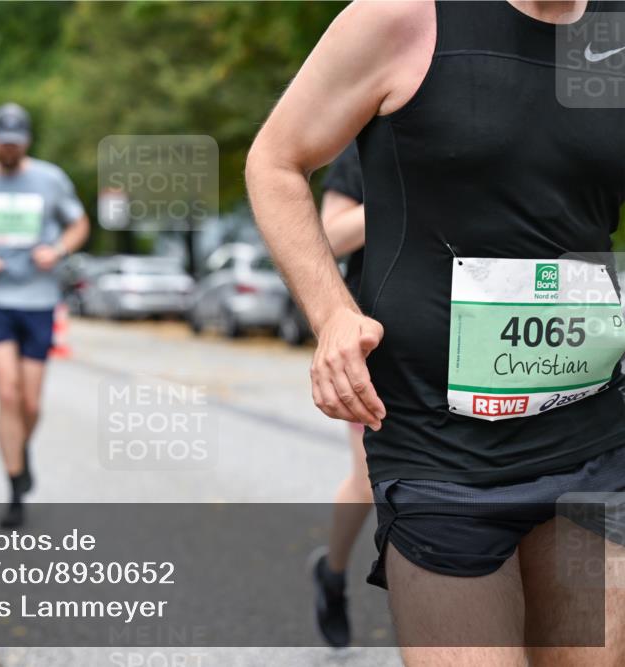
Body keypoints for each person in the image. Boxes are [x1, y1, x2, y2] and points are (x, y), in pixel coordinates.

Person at [246, 1, 624, 665]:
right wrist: (332, 312)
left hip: (590, 432)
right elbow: (276, 160)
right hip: (439, 448)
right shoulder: (407, 16)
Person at [0, 103, 89, 528]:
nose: (9, 149)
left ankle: (20, 448)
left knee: (31, 401)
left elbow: (79, 224)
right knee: (7, 392)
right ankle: (15, 490)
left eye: (17, 143)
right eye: (2, 142)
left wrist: (58, 250)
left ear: (26, 141)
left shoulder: (50, 179)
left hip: (39, 299)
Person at [308, 142, 369, 649]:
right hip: (380, 337)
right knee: (372, 479)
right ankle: (333, 572)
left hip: (479, 337)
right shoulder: (376, 136)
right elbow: (330, 234)